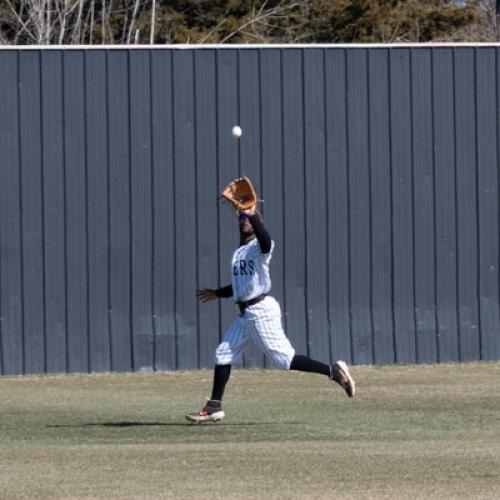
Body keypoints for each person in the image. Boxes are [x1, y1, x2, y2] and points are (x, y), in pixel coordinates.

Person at [186, 204, 355, 423]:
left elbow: (265, 239)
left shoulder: (260, 246)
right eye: (242, 219)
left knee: (284, 360)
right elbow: (241, 287)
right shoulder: (239, 253)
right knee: (223, 354)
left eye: (248, 219)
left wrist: (252, 214)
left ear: (257, 221)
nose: (245, 221)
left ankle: (333, 371)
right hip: (246, 314)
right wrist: (217, 293)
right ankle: (213, 407)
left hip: (261, 312)